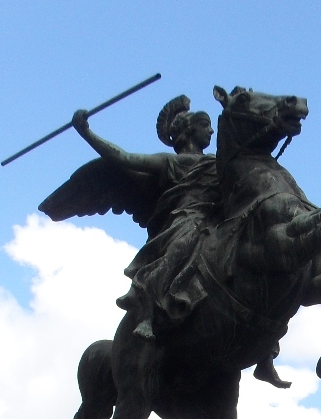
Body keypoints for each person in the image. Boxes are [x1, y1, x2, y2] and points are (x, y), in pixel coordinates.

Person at [71, 96, 289, 387]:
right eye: (205, 125)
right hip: (186, 220)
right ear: (188, 131)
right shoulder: (171, 162)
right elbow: (124, 159)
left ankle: (266, 350)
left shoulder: (219, 163)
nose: (211, 131)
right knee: (181, 246)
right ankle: (148, 308)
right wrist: (86, 132)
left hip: (218, 223)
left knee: (260, 258)